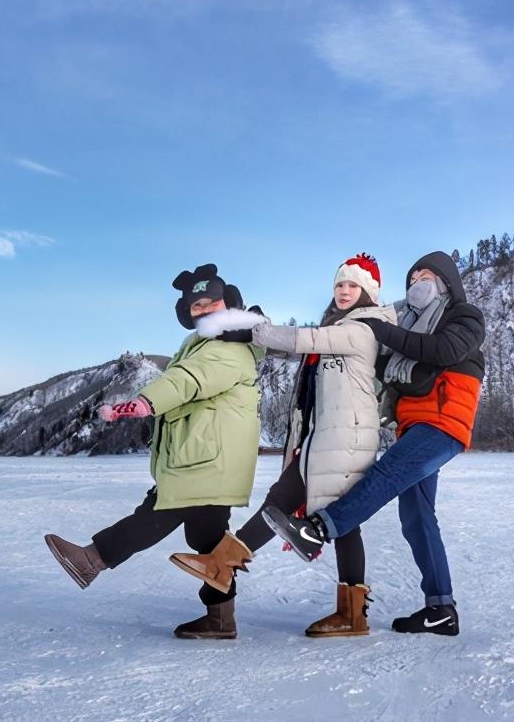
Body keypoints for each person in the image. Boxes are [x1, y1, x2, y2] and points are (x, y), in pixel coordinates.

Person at [169, 254, 397, 637]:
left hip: (348, 437)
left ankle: (351, 613)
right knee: (284, 503)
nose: (343, 291)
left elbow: (302, 339)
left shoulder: (363, 328)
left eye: (352, 286)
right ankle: (223, 566)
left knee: (332, 518)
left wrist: (252, 330)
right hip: (324, 438)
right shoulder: (341, 325)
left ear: (368, 293)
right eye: (340, 285)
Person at [262, 250, 484, 636]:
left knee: (386, 474)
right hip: (413, 424)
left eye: (426, 275)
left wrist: (382, 331)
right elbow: (383, 367)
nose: (418, 282)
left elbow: (444, 351)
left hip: (444, 421)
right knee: (416, 518)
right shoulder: (409, 325)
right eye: (412, 278)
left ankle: (318, 528)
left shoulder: (463, 316)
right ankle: (441, 609)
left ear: (446, 281)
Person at [43, 263, 264, 640]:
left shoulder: (228, 347)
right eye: (196, 308)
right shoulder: (213, 343)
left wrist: (145, 401)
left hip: (206, 458)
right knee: (208, 542)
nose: (204, 311)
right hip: (206, 456)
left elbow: (187, 381)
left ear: (229, 303)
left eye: (211, 303)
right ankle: (220, 618)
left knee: (156, 514)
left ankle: (92, 560)